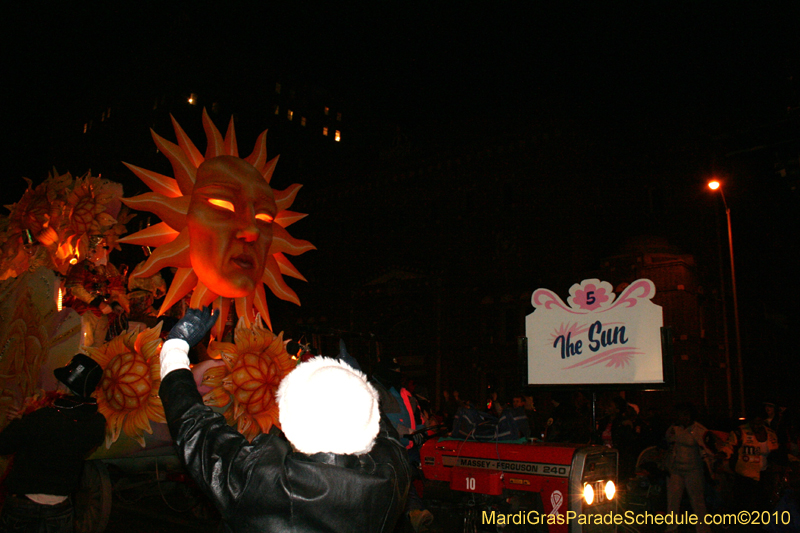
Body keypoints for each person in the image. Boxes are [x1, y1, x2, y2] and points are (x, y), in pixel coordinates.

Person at [159, 307, 412, 533]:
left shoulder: (259, 479)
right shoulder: (392, 475)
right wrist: (351, 379)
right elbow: (377, 421)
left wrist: (175, 346)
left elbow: (192, 424)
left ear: (287, 420)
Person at [0, 354, 106, 533]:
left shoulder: (43, 417)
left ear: (65, 386)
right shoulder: (97, 423)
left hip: (23, 505)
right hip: (60, 508)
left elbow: (4, 445)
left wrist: (21, 420)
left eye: (61, 382)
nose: (56, 384)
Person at [664, 403, 711, 533]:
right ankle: (671, 528)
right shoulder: (673, 429)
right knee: (672, 501)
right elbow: (667, 444)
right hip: (675, 469)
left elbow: (708, 449)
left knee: (697, 501)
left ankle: (703, 529)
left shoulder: (699, 430)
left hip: (693, 470)